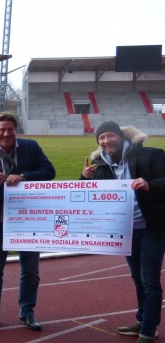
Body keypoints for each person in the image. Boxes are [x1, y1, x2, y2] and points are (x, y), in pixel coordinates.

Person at [0, 112, 55, 331]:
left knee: (31, 270)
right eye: (1, 129)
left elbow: (49, 171)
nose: (6, 133)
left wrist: (25, 176)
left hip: (29, 220)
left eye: (10, 129)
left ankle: (27, 312)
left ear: (16, 131)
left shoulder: (31, 147)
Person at [81, 121, 165, 343]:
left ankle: (149, 328)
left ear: (121, 136)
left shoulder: (152, 155)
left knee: (149, 280)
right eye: (101, 138)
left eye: (110, 136)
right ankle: (142, 320)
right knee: (138, 279)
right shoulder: (100, 168)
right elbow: (89, 199)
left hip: (151, 227)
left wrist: (149, 184)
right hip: (125, 231)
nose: (106, 141)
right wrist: (84, 179)